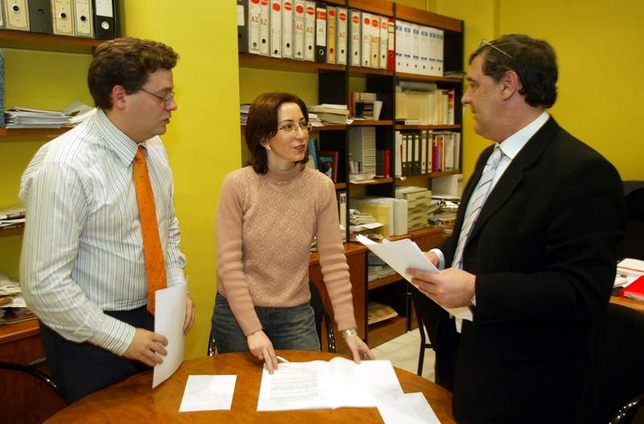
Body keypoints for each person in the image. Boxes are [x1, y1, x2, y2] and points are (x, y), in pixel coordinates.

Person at [407, 34, 625, 423]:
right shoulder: (490, 157)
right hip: (464, 355)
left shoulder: (581, 172)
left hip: (523, 384)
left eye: (473, 84)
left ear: (509, 84)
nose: (465, 98)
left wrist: (477, 288)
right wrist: (438, 255)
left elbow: (581, 290)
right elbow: (470, 237)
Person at [19, 37, 195, 404]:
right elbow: (44, 285)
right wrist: (124, 338)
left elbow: (167, 228)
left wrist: (177, 290)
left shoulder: (151, 145)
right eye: (163, 96)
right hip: (89, 335)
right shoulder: (65, 165)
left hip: (153, 315)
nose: (172, 105)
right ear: (120, 96)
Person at [212, 92, 373, 373]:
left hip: (295, 313)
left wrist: (349, 330)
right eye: (288, 127)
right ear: (264, 138)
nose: (300, 135)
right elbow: (229, 264)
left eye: (303, 124)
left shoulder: (320, 187)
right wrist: (252, 329)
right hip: (237, 313)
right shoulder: (237, 185)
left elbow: (333, 261)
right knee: (245, 400)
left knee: (306, 394)